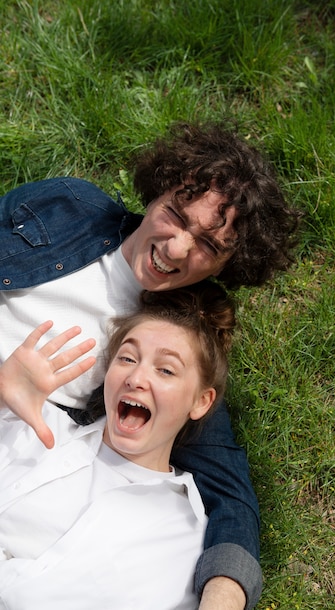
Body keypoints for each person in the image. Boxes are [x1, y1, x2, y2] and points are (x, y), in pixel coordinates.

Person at [0, 121, 301, 609]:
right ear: (159, 188)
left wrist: (221, 599)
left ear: (230, 265)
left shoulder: (175, 336)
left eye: (209, 245)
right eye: (177, 216)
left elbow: (229, 494)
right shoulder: (66, 206)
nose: (177, 248)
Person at [0, 281, 235, 609]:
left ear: (200, 401)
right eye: (127, 358)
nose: (136, 378)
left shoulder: (181, 536)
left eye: (166, 369)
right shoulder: (32, 429)